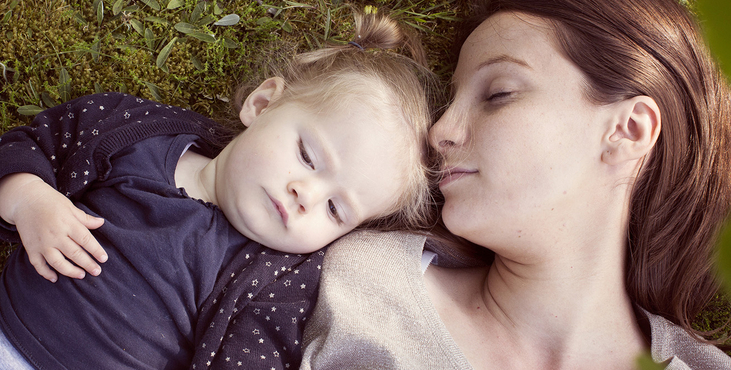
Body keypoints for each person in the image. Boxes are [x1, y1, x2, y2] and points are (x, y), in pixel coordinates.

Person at [0, 12, 440, 370]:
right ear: (263, 104)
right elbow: (33, 146)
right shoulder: (137, 134)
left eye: (335, 208)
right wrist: (29, 201)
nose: (305, 194)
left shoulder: (275, 279)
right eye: (308, 156)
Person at [301, 0, 731, 368]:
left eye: (498, 94)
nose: (440, 131)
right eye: (450, 102)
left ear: (628, 131)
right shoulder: (362, 284)